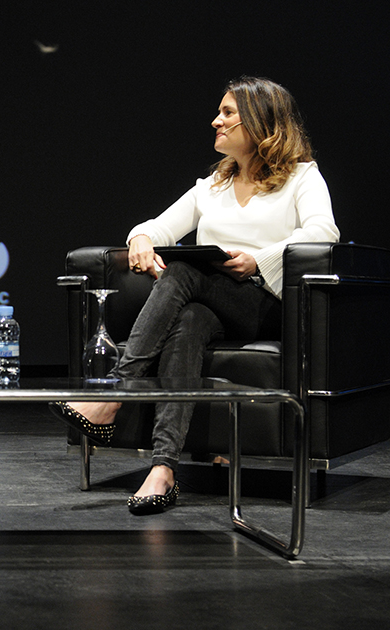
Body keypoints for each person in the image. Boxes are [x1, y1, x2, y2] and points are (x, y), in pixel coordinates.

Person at [52, 76, 340, 514]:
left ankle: (116, 392)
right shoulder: (213, 185)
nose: (215, 121)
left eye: (227, 113)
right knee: (188, 321)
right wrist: (141, 239)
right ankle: (163, 469)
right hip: (214, 306)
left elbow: (323, 232)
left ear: (260, 122)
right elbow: (156, 226)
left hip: (266, 303)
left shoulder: (302, 177)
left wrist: (259, 260)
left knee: (184, 270)